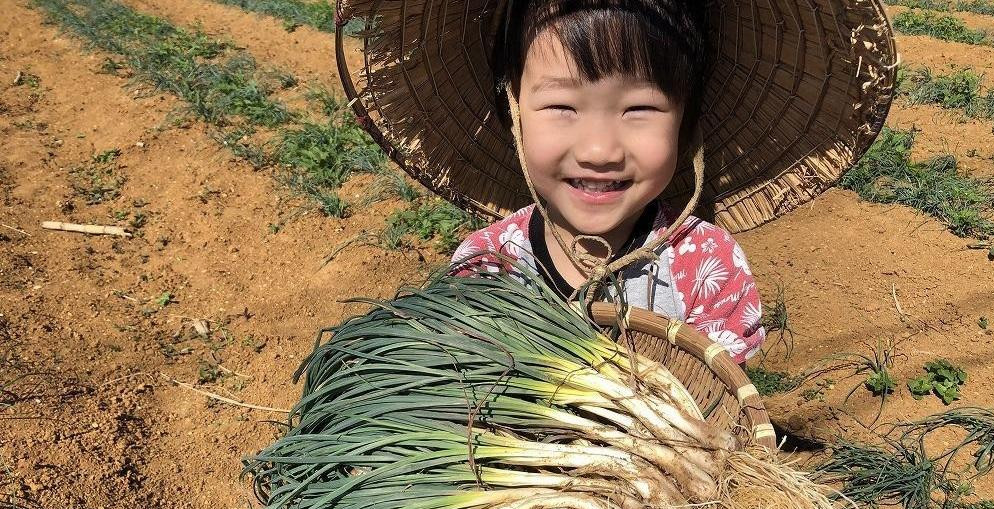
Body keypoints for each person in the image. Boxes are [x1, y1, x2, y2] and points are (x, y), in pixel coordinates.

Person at [335, 0, 895, 364]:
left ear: (688, 120)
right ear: (513, 107)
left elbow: (724, 414)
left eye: (640, 109)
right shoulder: (488, 268)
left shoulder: (706, 271)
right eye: (561, 106)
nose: (600, 151)